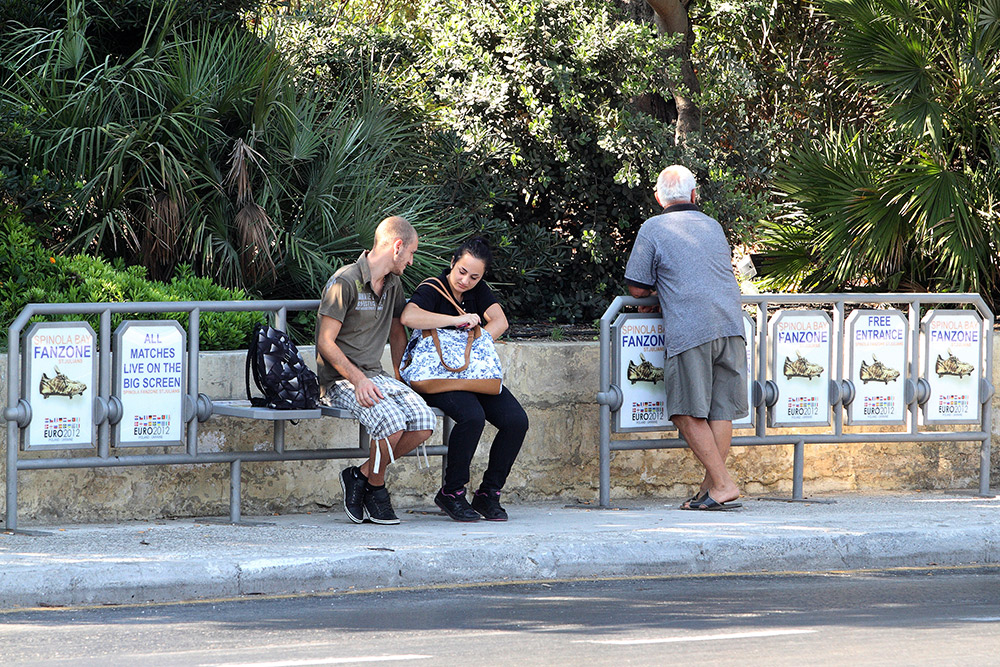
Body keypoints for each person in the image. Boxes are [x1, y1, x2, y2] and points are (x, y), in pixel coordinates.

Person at [624, 165, 748, 511]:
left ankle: (722, 484)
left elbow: (636, 285)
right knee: (720, 409)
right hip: (731, 325)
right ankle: (712, 492)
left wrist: (655, 297)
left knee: (684, 411)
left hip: (691, 328)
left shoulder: (653, 227)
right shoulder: (712, 225)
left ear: (658, 197)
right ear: (695, 196)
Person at [316, 216, 437, 525]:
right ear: (397, 247)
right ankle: (378, 489)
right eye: (411, 253)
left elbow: (398, 332)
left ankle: (362, 476)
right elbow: (325, 343)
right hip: (339, 380)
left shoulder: (394, 284)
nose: (411, 261)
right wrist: (357, 380)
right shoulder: (346, 281)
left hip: (376, 375)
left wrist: (400, 376)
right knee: (392, 422)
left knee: (424, 421)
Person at [400, 238, 529, 522]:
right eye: (461, 272)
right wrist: (455, 323)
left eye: (474, 276)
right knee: (472, 417)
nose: (465, 280)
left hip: (470, 371)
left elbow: (500, 322)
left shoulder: (478, 290)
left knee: (516, 421)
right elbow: (409, 316)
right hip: (437, 375)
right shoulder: (432, 287)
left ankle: (488, 494)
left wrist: (475, 342)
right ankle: (452, 492)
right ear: (452, 263)